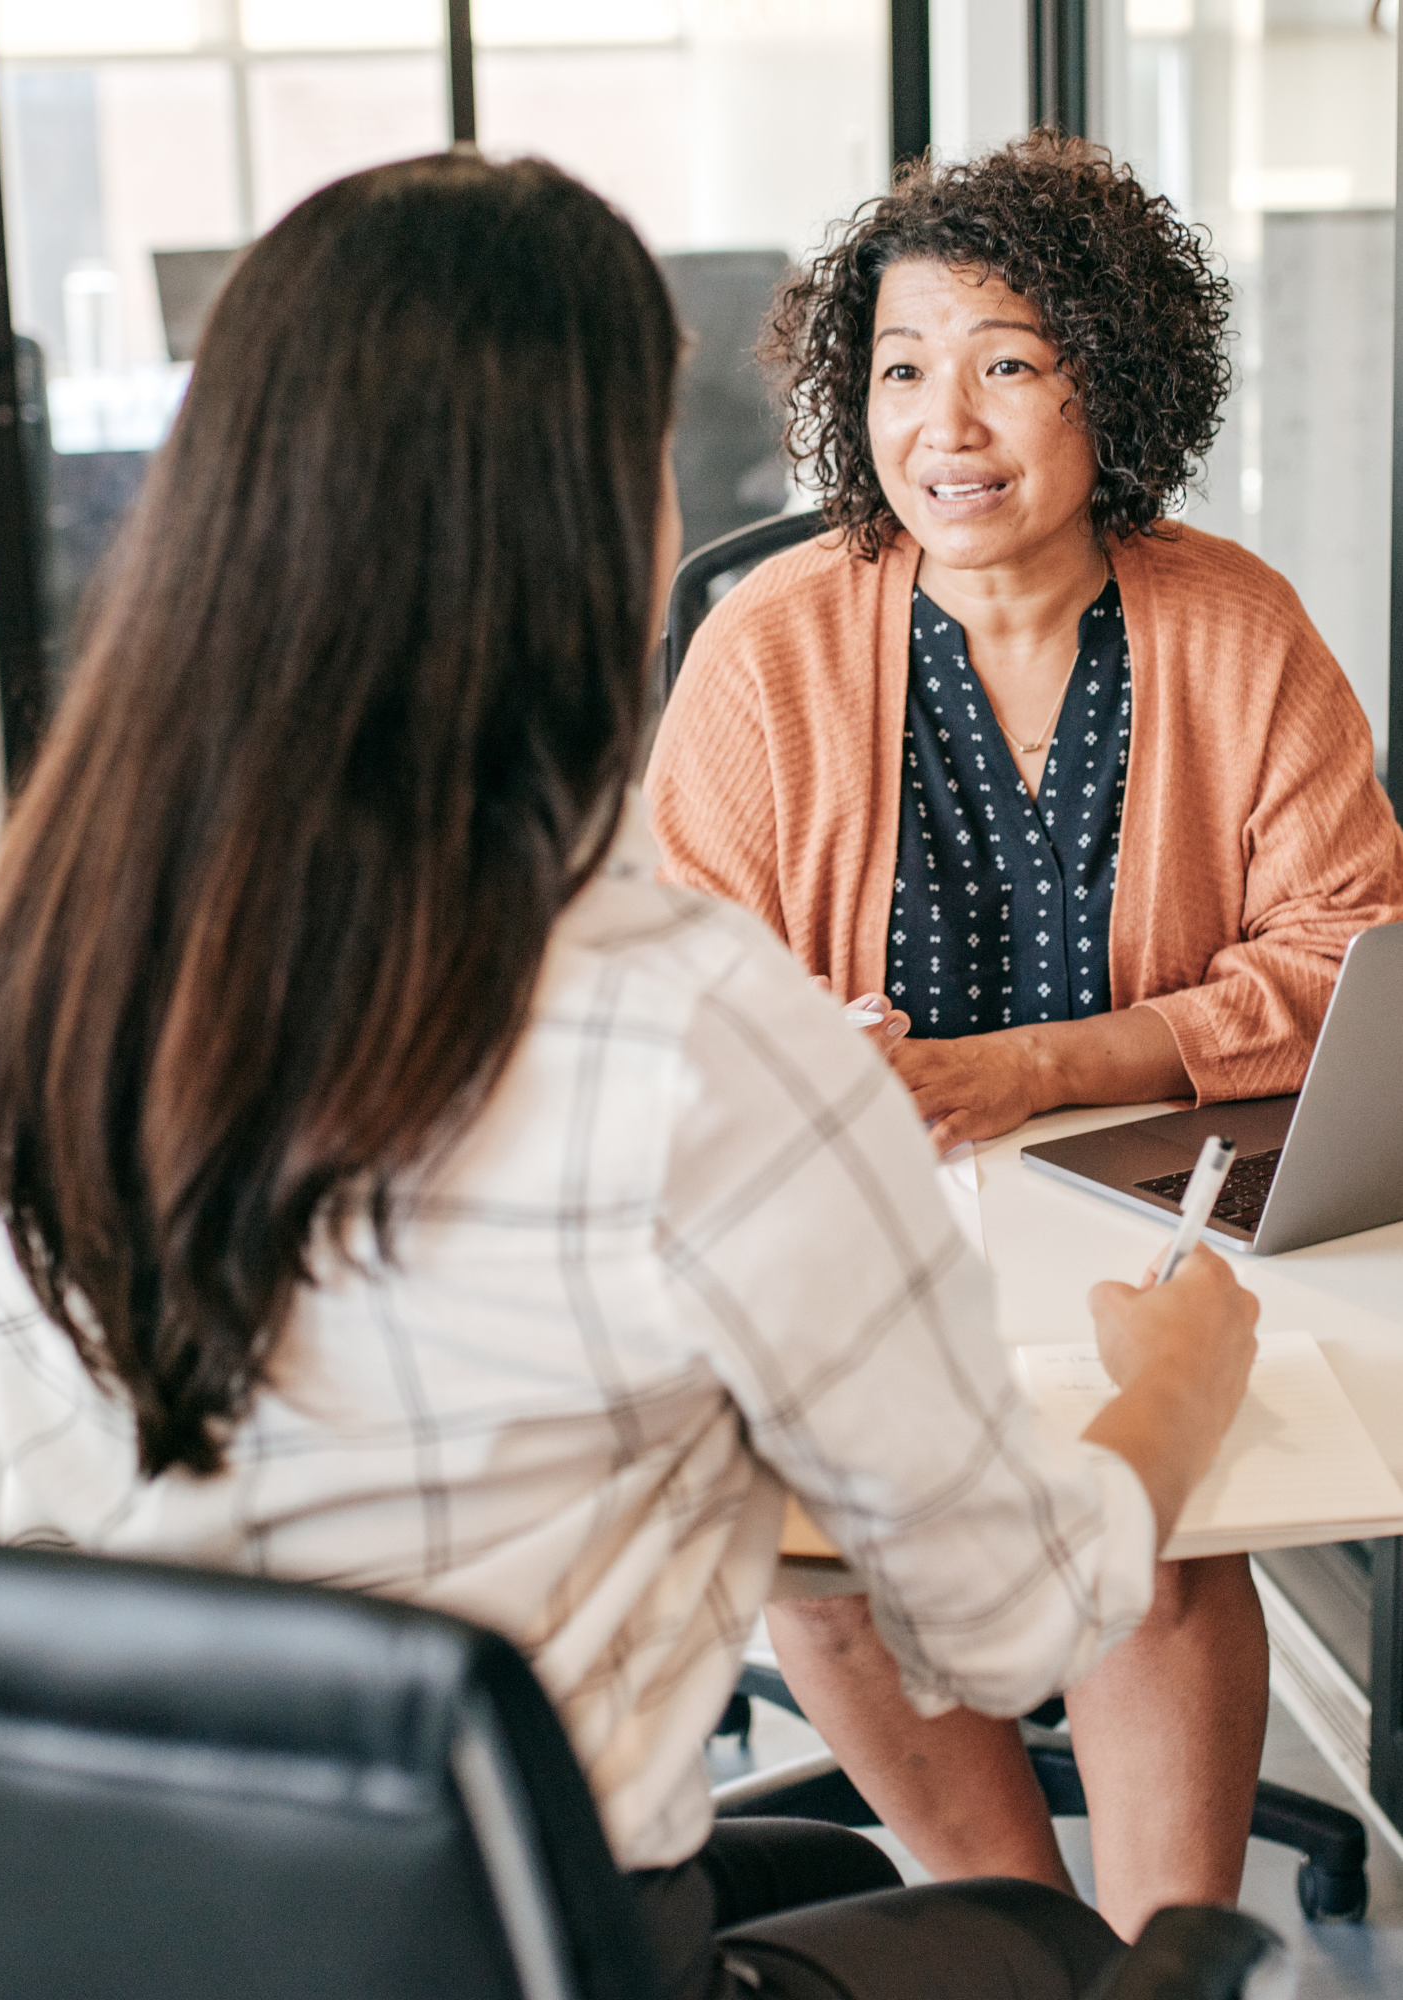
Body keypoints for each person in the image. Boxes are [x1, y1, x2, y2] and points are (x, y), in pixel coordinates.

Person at [0, 151, 1258, 2000]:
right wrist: (1170, 1393)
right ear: (583, 524)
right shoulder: (684, 1029)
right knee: (1038, 1939)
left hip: (101, 1933)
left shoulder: (49, 968)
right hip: (513, 1949)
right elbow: (1004, 1616)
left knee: (812, 1854)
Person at [645, 132, 1403, 1940]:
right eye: (902, 370)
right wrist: (788, 1053)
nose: (948, 427)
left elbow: (1350, 946)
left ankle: (1163, 1964)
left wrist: (1040, 1069)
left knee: (1164, 1533)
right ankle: (1013, 1938)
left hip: (1143, 1196)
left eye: (1007, 362)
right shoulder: (768, 648)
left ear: (1108, 382)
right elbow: (668, 987)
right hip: (856, 1220)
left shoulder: (1233, 626)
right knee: (816, 1555)